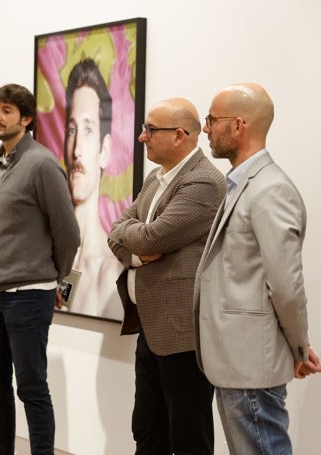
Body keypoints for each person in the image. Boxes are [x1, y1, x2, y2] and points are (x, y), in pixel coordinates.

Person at [194, 82, 321, 454]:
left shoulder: (270, 190)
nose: (206, 129)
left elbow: (285, 284)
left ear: (238, 126)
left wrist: (299, 348)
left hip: (250, 361)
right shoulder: (243, 185)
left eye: (212, 120)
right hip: (237, 359)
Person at [108, 98, 225, 454]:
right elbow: (116, 230)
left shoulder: (203, 182)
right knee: (146, 429)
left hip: (183, 334)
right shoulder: (157, 178)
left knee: (188, 437)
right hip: (152, 326)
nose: (142, 137)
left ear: (179, 135)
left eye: (149, 129)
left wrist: (137, 237)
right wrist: (138, 251)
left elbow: (152, 237)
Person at [0, 83, 80, 454]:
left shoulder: (42, 163)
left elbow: (69, 234)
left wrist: (60, 281)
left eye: (6, 111)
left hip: (28, 294)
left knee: (32, 387)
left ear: (26, 119)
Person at [63, 58, 124, 318]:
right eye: (72, 129)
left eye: (88, 130)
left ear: (105, 150)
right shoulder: (53, 259)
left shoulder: (110, 271)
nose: (76, 149)